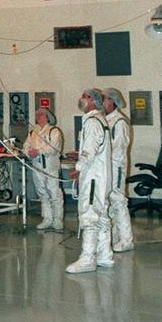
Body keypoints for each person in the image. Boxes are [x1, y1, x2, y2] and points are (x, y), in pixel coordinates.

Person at [65, 89, 113, 274]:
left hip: (94, 177)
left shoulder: (93, 122)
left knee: (90, 215)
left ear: (93, 100)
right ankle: (104, 255)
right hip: (100, 176)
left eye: (84, 96)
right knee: (101, 215)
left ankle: (87, 258)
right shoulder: (99, 120)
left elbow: (88, 153)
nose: (81, 99)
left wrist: (78, 169)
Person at [22, 104, 64, 231]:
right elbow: (25, 146)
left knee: (54, 192)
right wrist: (28, 152)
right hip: (37, 167)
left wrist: (38, 151)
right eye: (37, 115)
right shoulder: (32, 132)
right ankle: (47, 218)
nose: (38, 117)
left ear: (47, 117)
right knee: (42, 192)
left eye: (41, 115)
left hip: (51, 167)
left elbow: (54, 148)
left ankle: (57, 220)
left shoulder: (54, 131)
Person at [102, 88, 134, 252]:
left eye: (105, 99)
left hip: (116, 166)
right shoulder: (105, 120)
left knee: (119, 202)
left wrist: (101, 153)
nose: (102, 102)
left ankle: (127, 240)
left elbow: (119, 146)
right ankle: (115, 237)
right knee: (111, 203)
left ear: (112, 101)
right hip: (107, 166)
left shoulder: (119, 122)